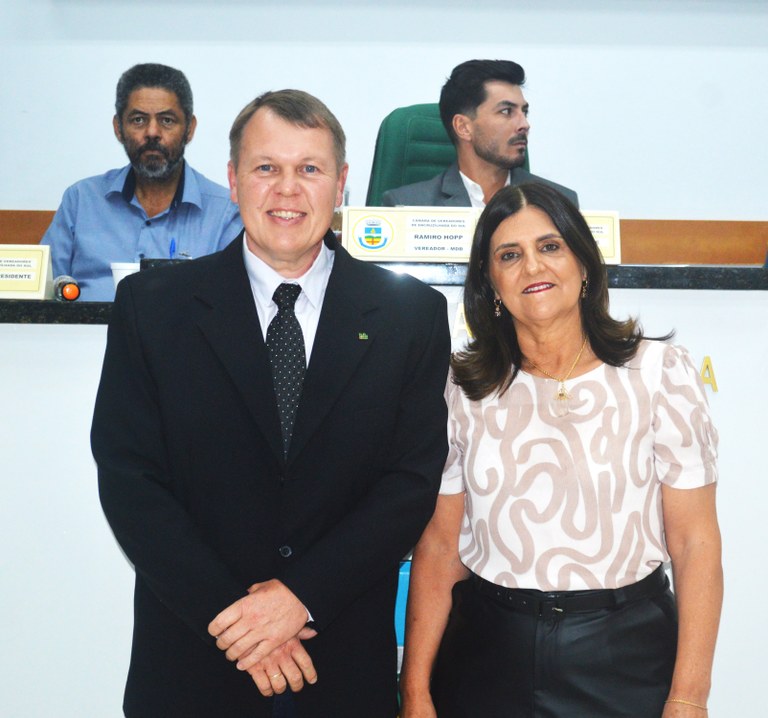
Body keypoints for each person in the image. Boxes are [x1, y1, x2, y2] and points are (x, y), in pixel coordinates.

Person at [91, 89, 450, 718]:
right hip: (192, 662)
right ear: (233, 180)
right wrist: (236, 620)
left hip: (338, 665)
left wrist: (299, 598)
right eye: (266, 168)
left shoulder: (411, 315)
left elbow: (409, 483)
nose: (288, 189)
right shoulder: (152, 307)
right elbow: (130, 480)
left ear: (340, 183)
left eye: (309, 168)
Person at [400, 183, 722, 718]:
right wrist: (415, 691)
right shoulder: (464, 388)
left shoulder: (660, 373)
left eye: (550, 247)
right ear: (490, 284)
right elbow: (439, 548)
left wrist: (689, 697)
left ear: (584, 264)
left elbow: (696, 544)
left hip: (625, 659)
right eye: (509, 255)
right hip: (485, 656)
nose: (532, 266)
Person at [42, 63, 241, 301]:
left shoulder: (225, 213)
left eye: (167, 120)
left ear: (189, 129)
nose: (152, 132)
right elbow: (41, 293)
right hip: (84, 326)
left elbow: (231, 305)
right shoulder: (81, 200)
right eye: (138, 120)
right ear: (118, 128)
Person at [381, 60, 578, 209]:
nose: (524, 124)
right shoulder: (407, 206)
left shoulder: (561, 204)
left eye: (524, 112)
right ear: (463, 127)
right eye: (506, 111)